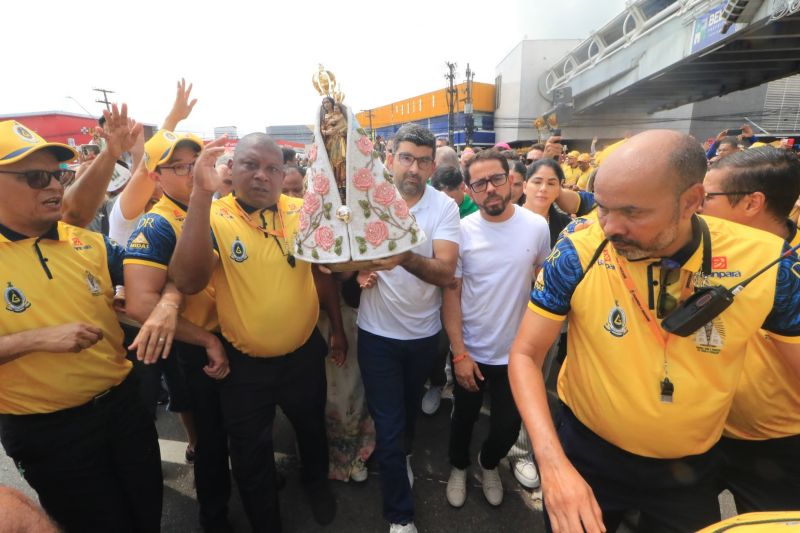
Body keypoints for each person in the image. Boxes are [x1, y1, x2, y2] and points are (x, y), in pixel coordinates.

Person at [509, 130, 800, 533]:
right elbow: (525, 355)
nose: (611, 226)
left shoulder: (769, 262)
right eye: (605, 207)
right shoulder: (579, 247)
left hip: (689, 472)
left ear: (692, 201)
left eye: (633, 212)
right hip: (587, 454)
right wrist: (553, 464)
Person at [170, 133, 347, 533]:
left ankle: (316, 484)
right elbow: (186, 279)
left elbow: (332, 271)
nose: (262, 176)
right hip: (245, 367)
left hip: (302, 356)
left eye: (272, 168)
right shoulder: (214, 216)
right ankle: (266, 523)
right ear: (231, 169)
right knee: (250, 455)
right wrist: (200, 196)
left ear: (284, 173)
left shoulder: (302, 211)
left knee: (311, 429)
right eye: (250, 165)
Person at [0, 120, 162, 532]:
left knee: (147, 512)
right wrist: (35, 339)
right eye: (36, 178)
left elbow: (157, 277)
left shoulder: (86, 242)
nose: (54, 187)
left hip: (124, 408)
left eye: (58, 175)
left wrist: (168, 304)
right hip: (51, 432)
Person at [123, 129, 233, 532]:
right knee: (209, 440)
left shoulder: (217, 208)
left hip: (230, 337)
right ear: (155, 176)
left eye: (196, 162)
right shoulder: (156, 225)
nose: (193, 172)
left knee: (236, 423)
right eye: (181, 167)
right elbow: (138, 303)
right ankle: (214, 514)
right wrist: (204, 338)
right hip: (197, 348)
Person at [355, 123, 460, 533]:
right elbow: (342, 259)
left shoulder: (443, 208)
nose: (413, 168)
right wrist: (355, 270)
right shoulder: (367, 202)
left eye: (422, 161)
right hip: (376, 334)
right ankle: (400, 516)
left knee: (407, 413)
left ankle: (406, 456)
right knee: (388, 421)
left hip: (422, 336)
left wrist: (402, 258)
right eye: (405, 158)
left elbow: (446, 270)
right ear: (390, 159)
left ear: (432, 166)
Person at [444, 150, 550, 509]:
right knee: (463, 418)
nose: (489, 188)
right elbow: (452, 296)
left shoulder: (536, 226)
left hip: (516, 355)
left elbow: (542, 282)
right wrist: (459, 351)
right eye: (479, 183)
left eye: (496, 179)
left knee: (507, 428)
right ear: (470, 191)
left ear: (510, 181)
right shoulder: (460, 232)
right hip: (471, 349)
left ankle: (488, 464)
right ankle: (458, 466)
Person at [699, 146, 800, 512]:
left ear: (752, 203)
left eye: (708, 197)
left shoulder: (791, 268)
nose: (698, 204)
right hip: (701, 429)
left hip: (775, 446)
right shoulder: (701, 246)